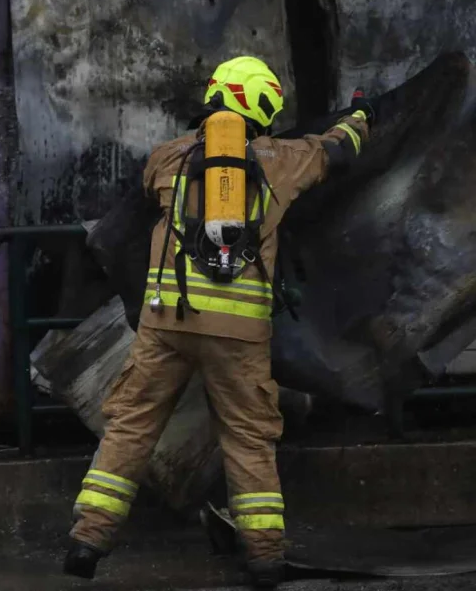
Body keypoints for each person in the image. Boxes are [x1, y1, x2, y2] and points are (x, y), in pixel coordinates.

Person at [62, 57, 373, 588]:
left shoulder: (167, 158)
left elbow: (140, 210)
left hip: (168, 325)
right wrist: (361, 116)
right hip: (240, 336)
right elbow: (338, 151)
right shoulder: (283, 159)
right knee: (249, 439)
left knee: (132, 426)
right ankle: (265, 558)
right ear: (261, 109)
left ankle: (88, 540)